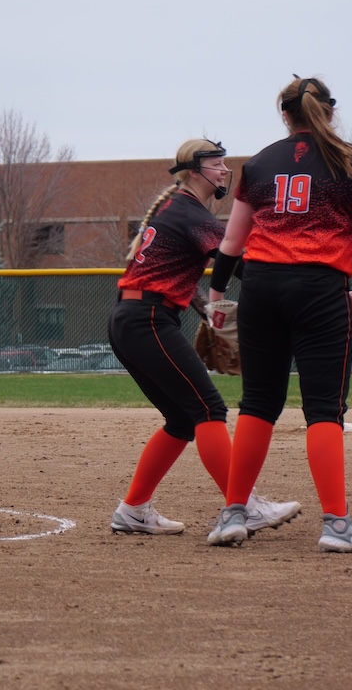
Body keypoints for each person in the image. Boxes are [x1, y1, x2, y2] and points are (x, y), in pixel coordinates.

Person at [205, 76, 352, 552]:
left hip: (261, 288)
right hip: (318, 289)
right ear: (329, 111)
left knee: (258, 404)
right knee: (324, 410)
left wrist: (215, 295)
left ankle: (233, 514)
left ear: (285, 115)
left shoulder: (260, 162)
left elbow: (231, 242)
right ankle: (336, 525)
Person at [109, 138, 301, 536]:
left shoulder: (177, 208)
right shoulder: (190, 212)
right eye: (216, 163)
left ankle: (134, 509)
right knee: (209, 410)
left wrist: (206, 311)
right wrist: (292, 292)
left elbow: (171, 274)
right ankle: (244, 505)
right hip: (147, 319)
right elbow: (239, 264)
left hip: (134, 318)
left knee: (182, 419)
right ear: (194, 171)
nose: (224, 170)